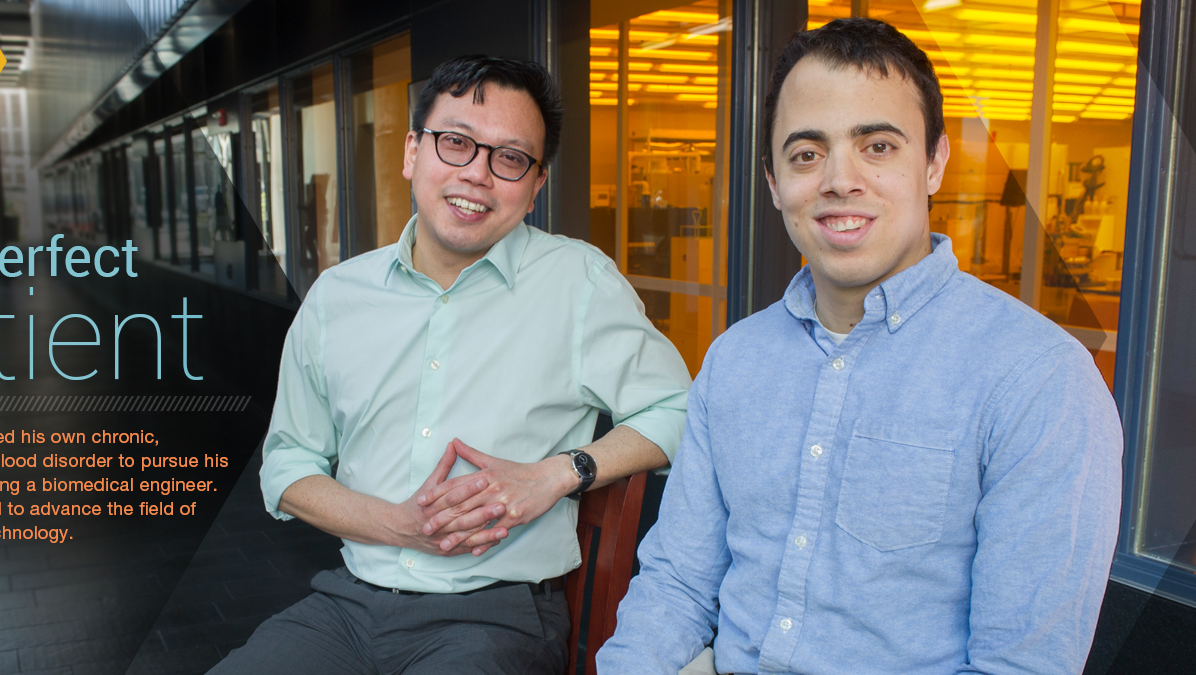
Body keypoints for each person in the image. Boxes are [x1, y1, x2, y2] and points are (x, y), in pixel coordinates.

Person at [599, 18, 1122, 675]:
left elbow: (1020, 665)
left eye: (877, 146)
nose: (839, 180)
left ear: (933, 163)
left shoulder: (1040, 379)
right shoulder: (734, 360)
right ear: (772, 181)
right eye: (806, 153)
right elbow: (675, 583)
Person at [211, 55, 690, 675]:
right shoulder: (337, 297)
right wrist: (396, 526)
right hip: (349, 607)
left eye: (510, 158)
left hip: (494, 619)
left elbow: (682, 409)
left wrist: (557, 473)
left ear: (536, 184)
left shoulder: (578, 282)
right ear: (413, 151)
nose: (477, 175)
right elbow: (287, 466)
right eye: (456, 143)